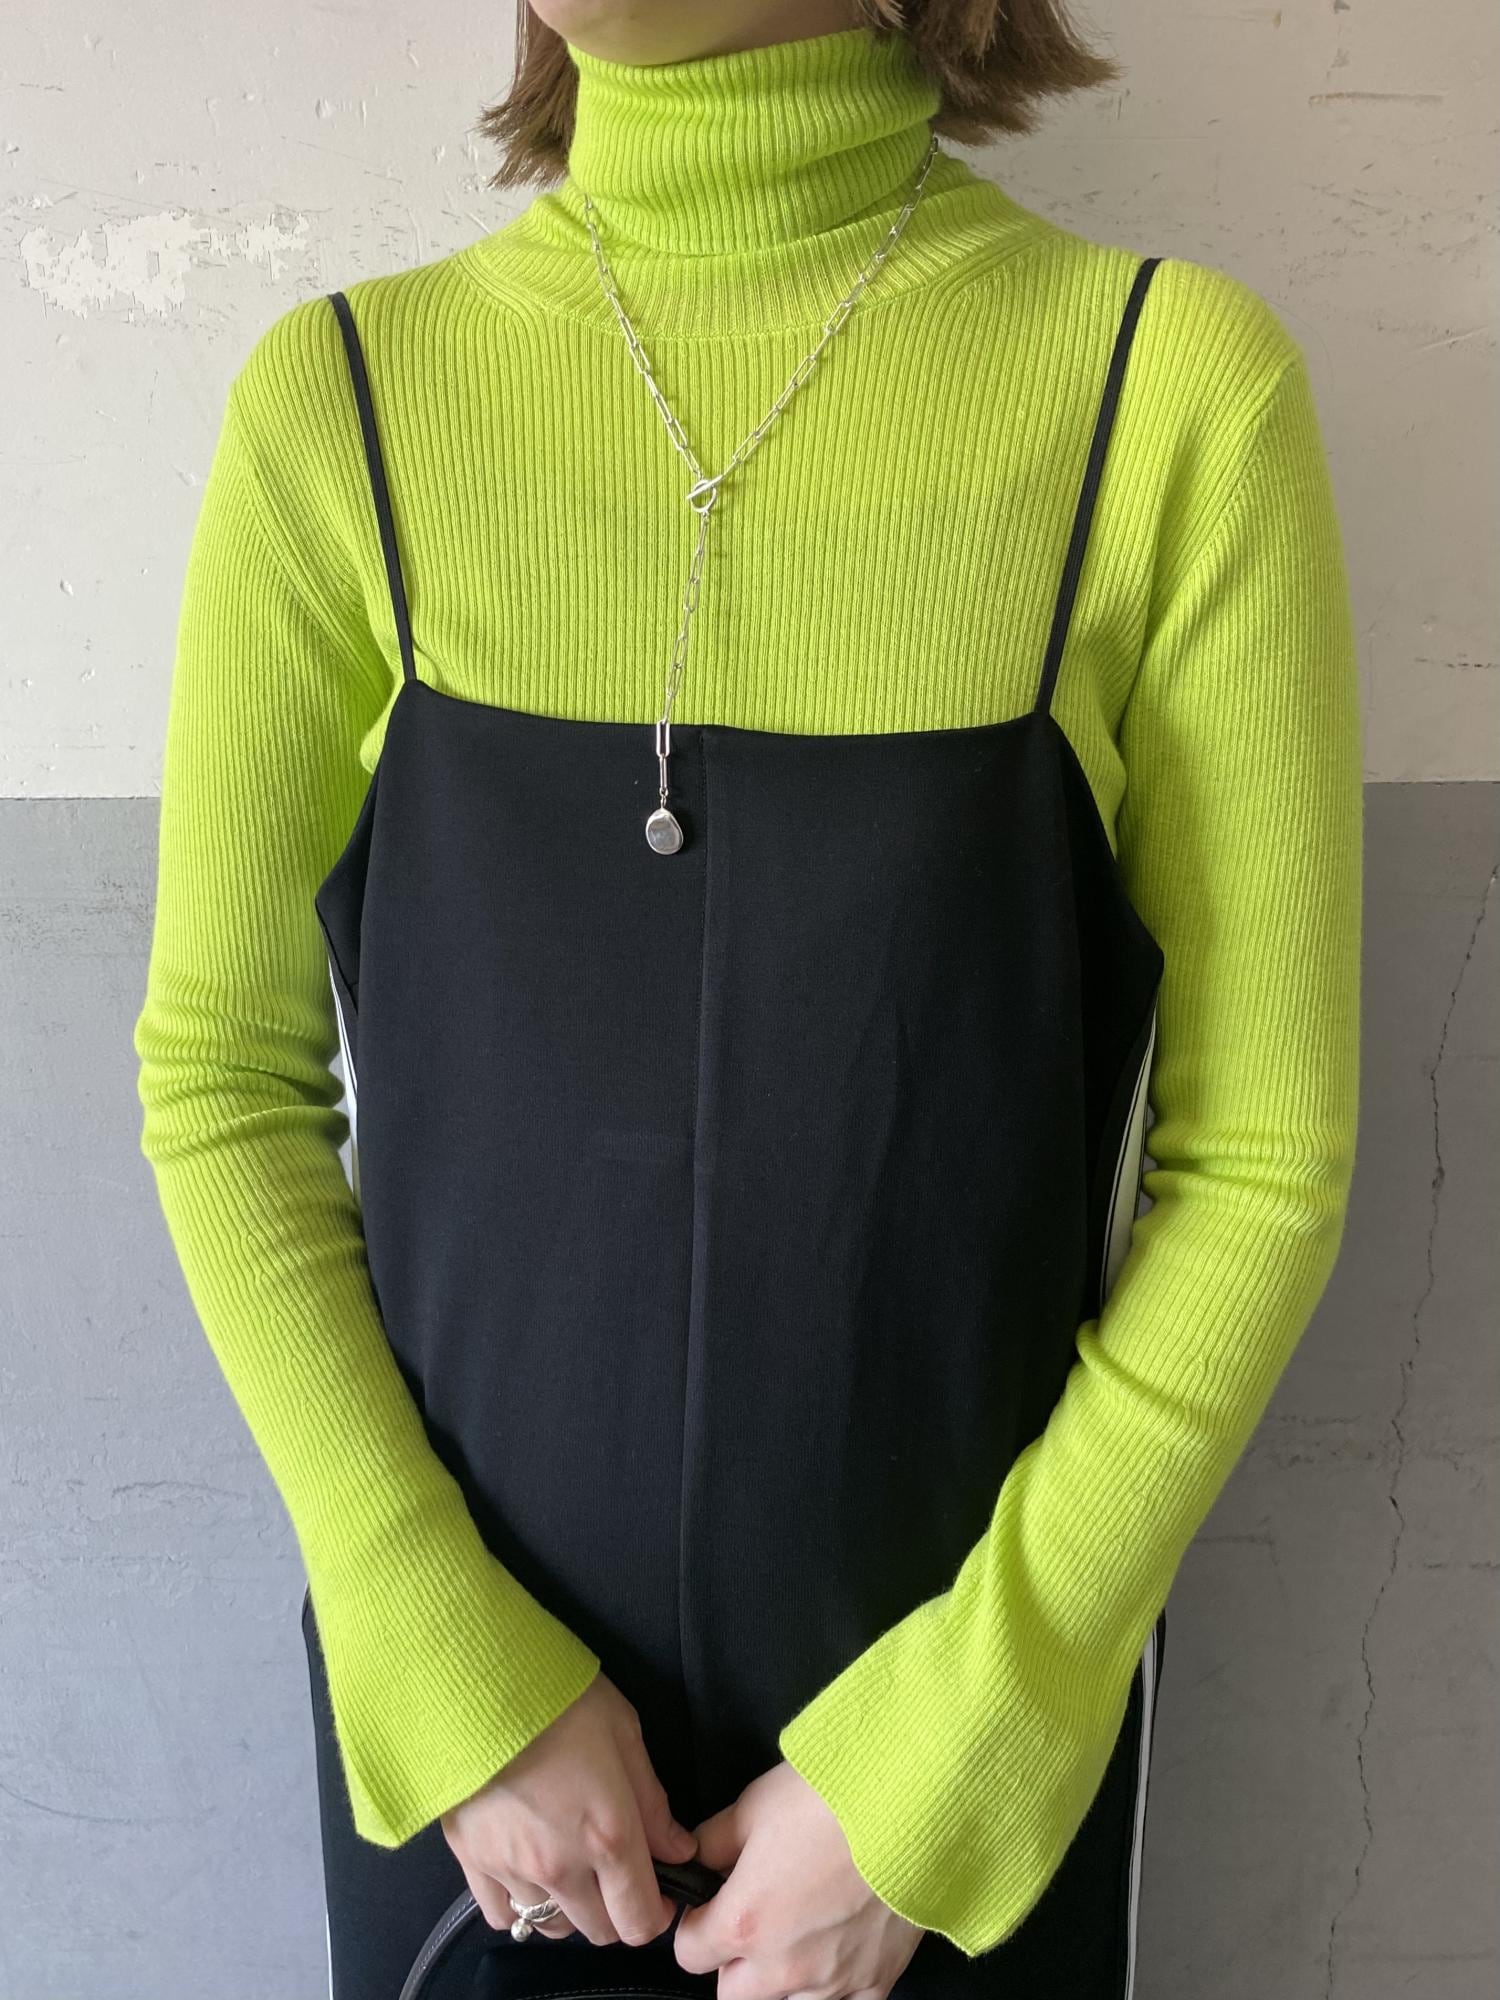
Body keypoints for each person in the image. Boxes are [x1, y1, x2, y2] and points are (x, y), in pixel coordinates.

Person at [132, 3, 1364, 1996]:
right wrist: (446, 1660)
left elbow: (1262, 1162)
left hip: (950, 1814)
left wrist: (960, 1751)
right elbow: (220, 1082)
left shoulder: (1160, 393)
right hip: (481, 1802)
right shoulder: (346, 400)